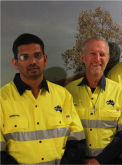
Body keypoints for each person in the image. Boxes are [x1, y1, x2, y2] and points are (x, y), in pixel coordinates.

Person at [0, 33, 86, 165]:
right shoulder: (2, 99)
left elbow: (77, 143)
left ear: (45, 60)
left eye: (37, 55)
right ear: (15, 63)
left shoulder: (63, 96)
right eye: (25, 57)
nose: (33, 61)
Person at [65, 37, 122, 165]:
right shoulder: (68, 92)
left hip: (110, 162)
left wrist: (98, 161)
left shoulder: (120, 92)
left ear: (107, 59)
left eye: (102, 54)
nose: (97, 59)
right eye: (92, 53)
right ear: (82, 57)